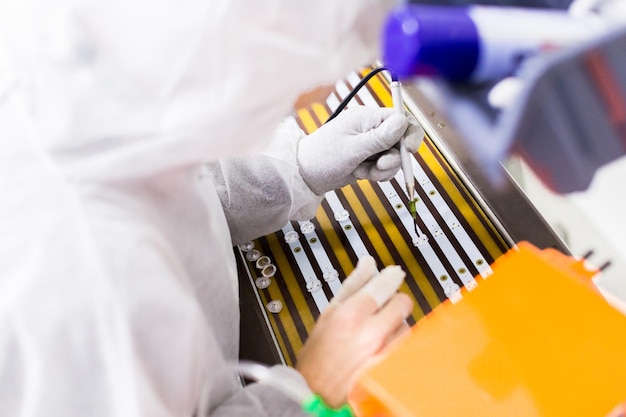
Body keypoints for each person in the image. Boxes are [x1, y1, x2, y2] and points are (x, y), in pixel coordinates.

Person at [0, 0, 424, 416]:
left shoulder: (96, 55)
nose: (324, 91)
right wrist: (310, 391)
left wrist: (297, 169)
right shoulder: (80, 278)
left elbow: (172, 177)